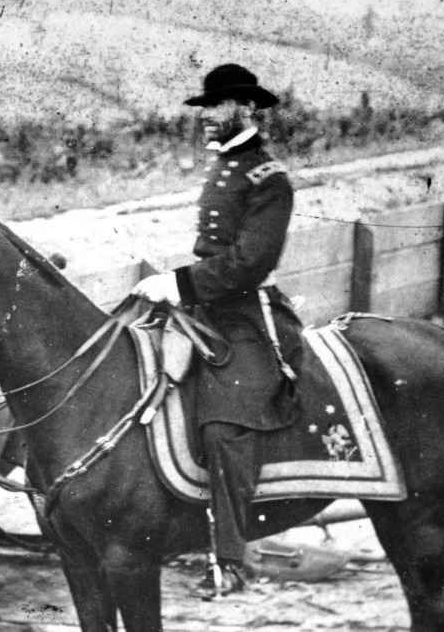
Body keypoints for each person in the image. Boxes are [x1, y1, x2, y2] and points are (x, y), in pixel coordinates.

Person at [131, 63, 304, 597]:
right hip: (208, 306)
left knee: (225, 427)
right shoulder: (225, 164)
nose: (205, 116)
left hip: (249, 316)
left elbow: (250, 261)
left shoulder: (268, 178)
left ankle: (231, 560)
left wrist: (179, 285)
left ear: (246, 108)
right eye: (204, 107)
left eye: (216, 106)